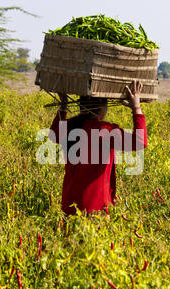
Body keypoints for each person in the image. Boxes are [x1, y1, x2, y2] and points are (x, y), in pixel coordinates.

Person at [48, 80, 147, 216]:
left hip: (69, 204)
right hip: (94, 208)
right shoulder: (103, 130)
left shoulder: (69, 125)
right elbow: (139, 142)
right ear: (101, 107)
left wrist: (63, 107)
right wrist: (136, 108)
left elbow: (53, 134)